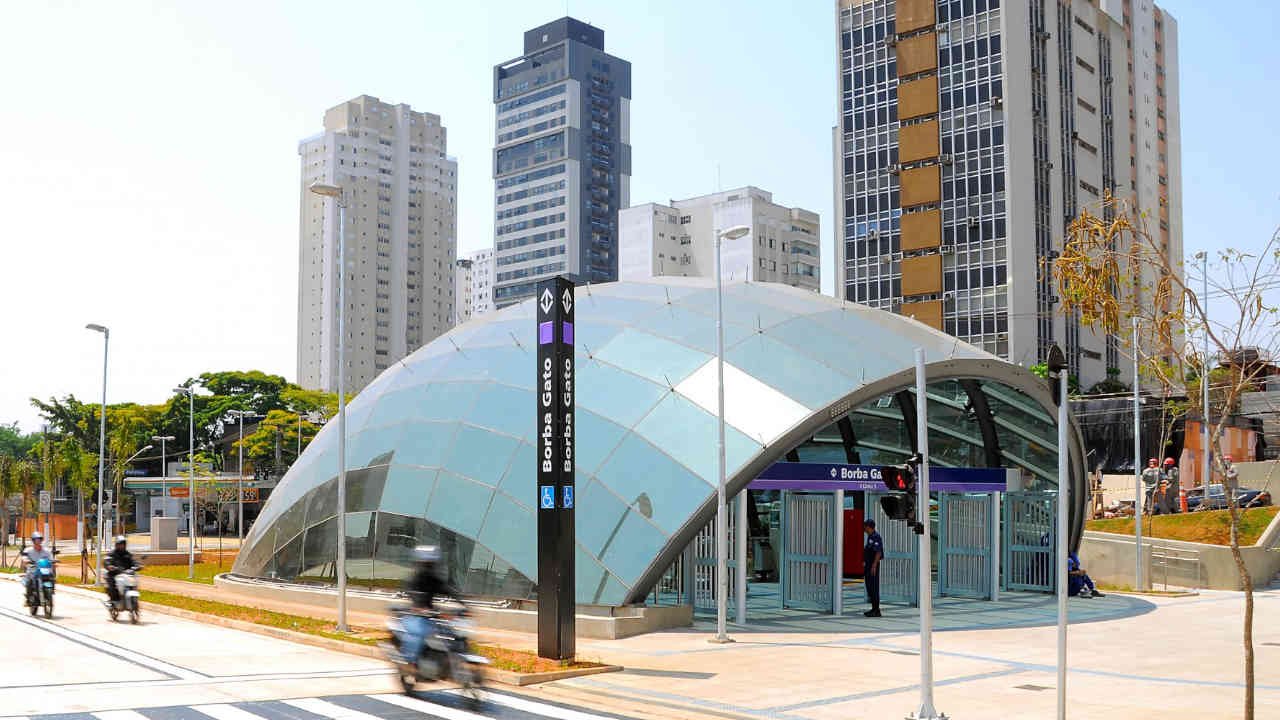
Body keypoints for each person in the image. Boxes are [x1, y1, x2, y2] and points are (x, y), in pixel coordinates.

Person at [396, 545, 463, 665]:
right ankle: (409, 662)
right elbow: (412, 593)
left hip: (432, 615)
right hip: (416, 616)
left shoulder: (434, 580)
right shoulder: (413, 579)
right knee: (419, 634)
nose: (429, 566)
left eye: (432, 563)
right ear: (420, 563)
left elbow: (449, 592)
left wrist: (466, 606)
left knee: (450, 634)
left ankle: (444, 661)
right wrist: (420, 607)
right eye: (427, 563)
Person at [20, 532, 55, 606]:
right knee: (29, 582)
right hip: (33, 570)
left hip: (44, 570)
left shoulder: (46, 550)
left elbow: (51, 558)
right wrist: (26, 560)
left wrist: (54, 561)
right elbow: (24, 557)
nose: (38, 542)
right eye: (36, 540)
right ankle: (28, 599)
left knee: (52, 577)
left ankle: (50, 592)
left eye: (39, 540)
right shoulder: (28, 550)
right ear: (33, 541)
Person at [105, 536, 136, 604]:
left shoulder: (127, 554)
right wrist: (109, 566)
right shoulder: (112, 554)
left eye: (123, 544)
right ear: (116, 545)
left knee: (133, 581)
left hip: (126, 574)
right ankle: (113, 600)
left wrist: (137, 566)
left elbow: (133, 561)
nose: (122, 546)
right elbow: (107, 560)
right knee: (111, 581)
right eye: (120, 544)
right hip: (115, 574)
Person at [862, 519, 883, 618]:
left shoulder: (876, 537)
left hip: (873, 567)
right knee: (869, 587)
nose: (864, 528)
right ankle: (873, 609)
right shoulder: (870, 537)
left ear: (869, 527)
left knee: (874, 587)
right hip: (868, 566)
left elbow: (878, 552)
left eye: (865, 526)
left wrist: (874, 565)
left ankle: (876, 610)